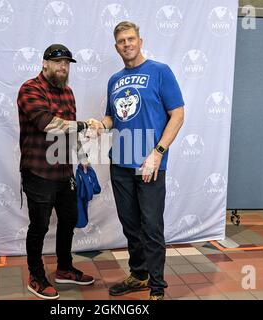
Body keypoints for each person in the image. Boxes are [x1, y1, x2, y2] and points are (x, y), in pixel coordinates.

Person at [89, 21, 185, 300]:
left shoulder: (160, 72)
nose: (127, 44)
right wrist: (101, 125)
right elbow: (112, 116)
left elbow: (177, 114)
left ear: (140, 41)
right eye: (121, 41)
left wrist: (158, 152)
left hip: (149, 164)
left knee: (151, 227)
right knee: (130, 224)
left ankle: (157, 288)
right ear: (116, 47)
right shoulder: (114, 80)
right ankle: (140, 274)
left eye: (131, 39)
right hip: (119, 162)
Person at [17, 44, 95, 300]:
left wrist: (82, 157)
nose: (63, 67)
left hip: (64, 173)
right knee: (38, 226)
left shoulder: (68, 92)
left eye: (67, 63)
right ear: (45, 63)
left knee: (69, 221)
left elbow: (70, 129)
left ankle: (64, 268)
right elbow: (49, 124)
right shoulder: (30, 89)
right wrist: (85, 124)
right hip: (38, 172)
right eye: (58, 62)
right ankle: (36, 276)